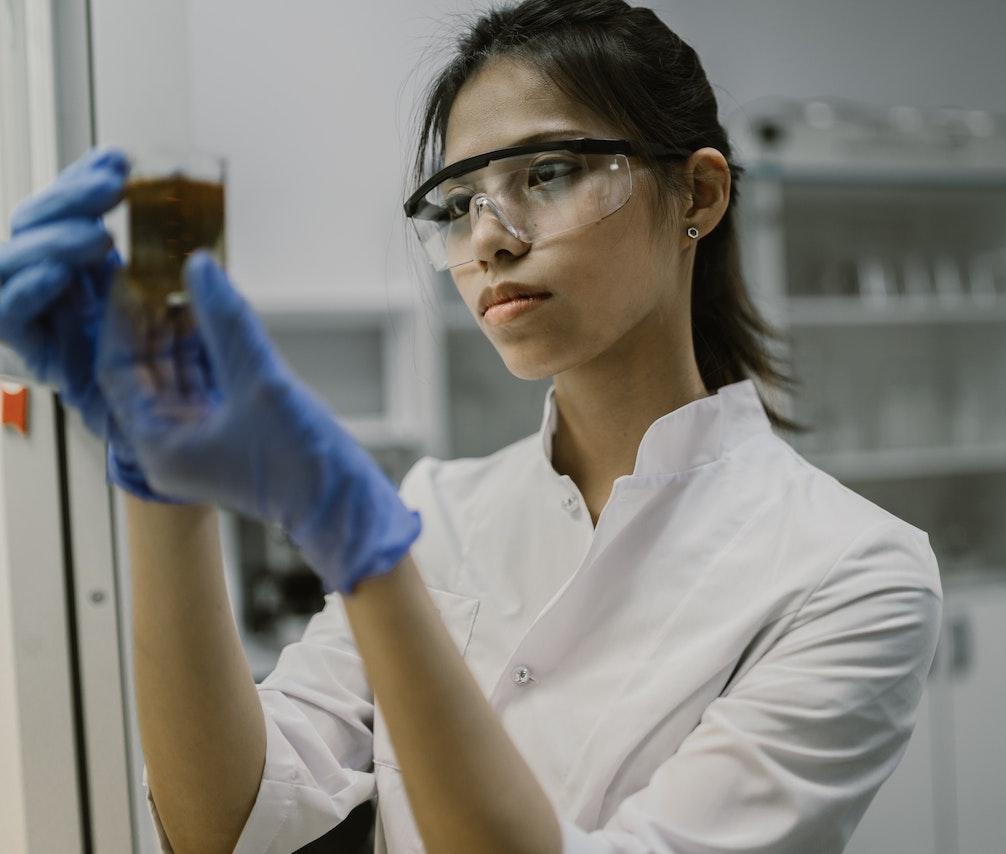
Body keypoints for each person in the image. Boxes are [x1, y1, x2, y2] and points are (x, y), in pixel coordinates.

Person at [0, 0, 943, 851]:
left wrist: (359, 543)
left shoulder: (852, 571)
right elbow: (226, 822)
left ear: (696, 194)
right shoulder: (439, 509)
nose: (490, 237)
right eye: (457, 205)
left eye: (552, 172)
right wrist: (166, 482)